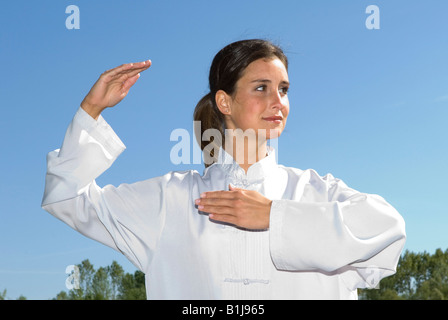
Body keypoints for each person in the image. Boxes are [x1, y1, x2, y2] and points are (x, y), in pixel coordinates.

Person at [42, 39, 406, 300]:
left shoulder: (317, 192)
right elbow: (68, 199)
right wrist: (91, 111)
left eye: (284, 89)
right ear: (224, 101)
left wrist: (275, 217)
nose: (277, 101)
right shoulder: (171, 199)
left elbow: (389, 229)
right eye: (261, 87)